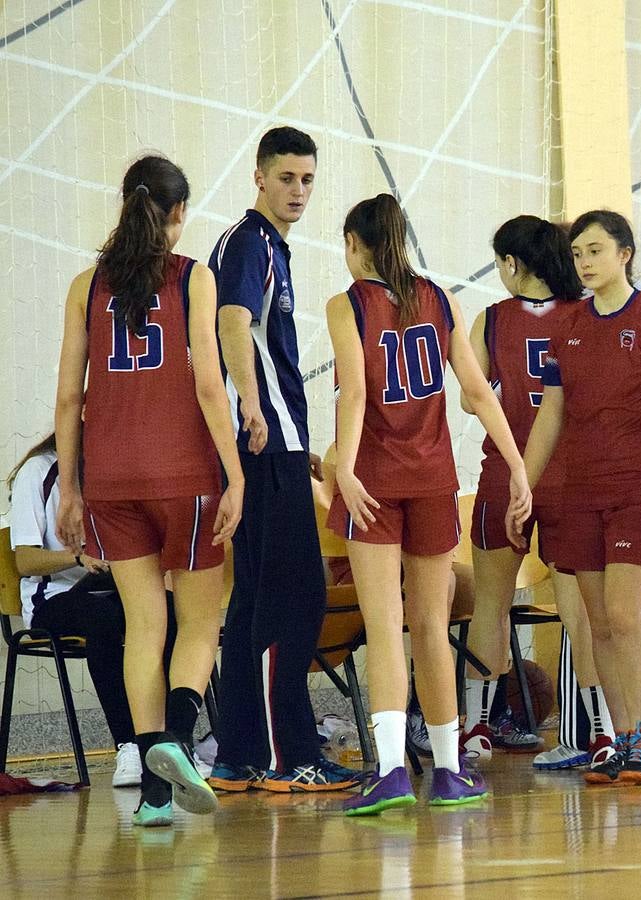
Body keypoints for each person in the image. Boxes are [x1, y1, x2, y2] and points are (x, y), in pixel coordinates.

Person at [53, 155, 243, 825]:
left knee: (142, 626)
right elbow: (209, 385)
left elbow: (70, 397)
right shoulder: (193, 277)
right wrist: (235, 474)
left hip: (109, 478)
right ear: (178, 214)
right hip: (183, 474)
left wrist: (69, 490)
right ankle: (177, 744)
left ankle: (156, 799)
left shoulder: (86, 285)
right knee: (199, 621)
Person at [330, 194, 531, 815]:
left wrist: (341, 466)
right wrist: (518, 467)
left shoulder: (347, 305)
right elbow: (477, 388)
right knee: (432, 628)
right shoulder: (439, 299)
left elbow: (356, 394)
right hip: (434, 482)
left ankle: (391, 769)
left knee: (386, 625)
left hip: (375, 481)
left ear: (354, 244)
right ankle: (448, 769)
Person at [510, 210, 641, 786]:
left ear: (625, 254)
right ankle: (620, 739)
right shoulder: (567, 325)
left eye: (595, 251)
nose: (584, 263)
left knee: (623, 612)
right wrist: (524, 481)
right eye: (578, 254)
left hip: (639, 491)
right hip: (578, 494)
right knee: (596, 623)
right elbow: (551, 417)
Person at [209, 127, 356, 793]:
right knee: (296, 597)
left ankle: (238, 755)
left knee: (255, 600)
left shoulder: (268, 247)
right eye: (287, 178)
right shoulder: (251, 243)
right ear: (259, 177)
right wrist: (251, 403)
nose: (298, 191)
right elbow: (233, 323)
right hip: (268, 443)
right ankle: (286, 755)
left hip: (276, 447)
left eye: (307, 180)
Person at [460, 215, 614, 769]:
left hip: (507, 470)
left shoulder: (493, 321)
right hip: (570, 475)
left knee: (491, 606)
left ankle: (476, 725)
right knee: (581, 612)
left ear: (510, 264)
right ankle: (602, 732)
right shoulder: (586, 314)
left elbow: (468, 398)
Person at [9, 434, 141, 787]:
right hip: (50, 597)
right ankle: (128, 745)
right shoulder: (37, 472)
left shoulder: (111, 472)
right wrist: (79, 558)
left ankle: (173, 741)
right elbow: (24, 560)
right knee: (103, 618)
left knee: (168, 612)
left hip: (105, 588)